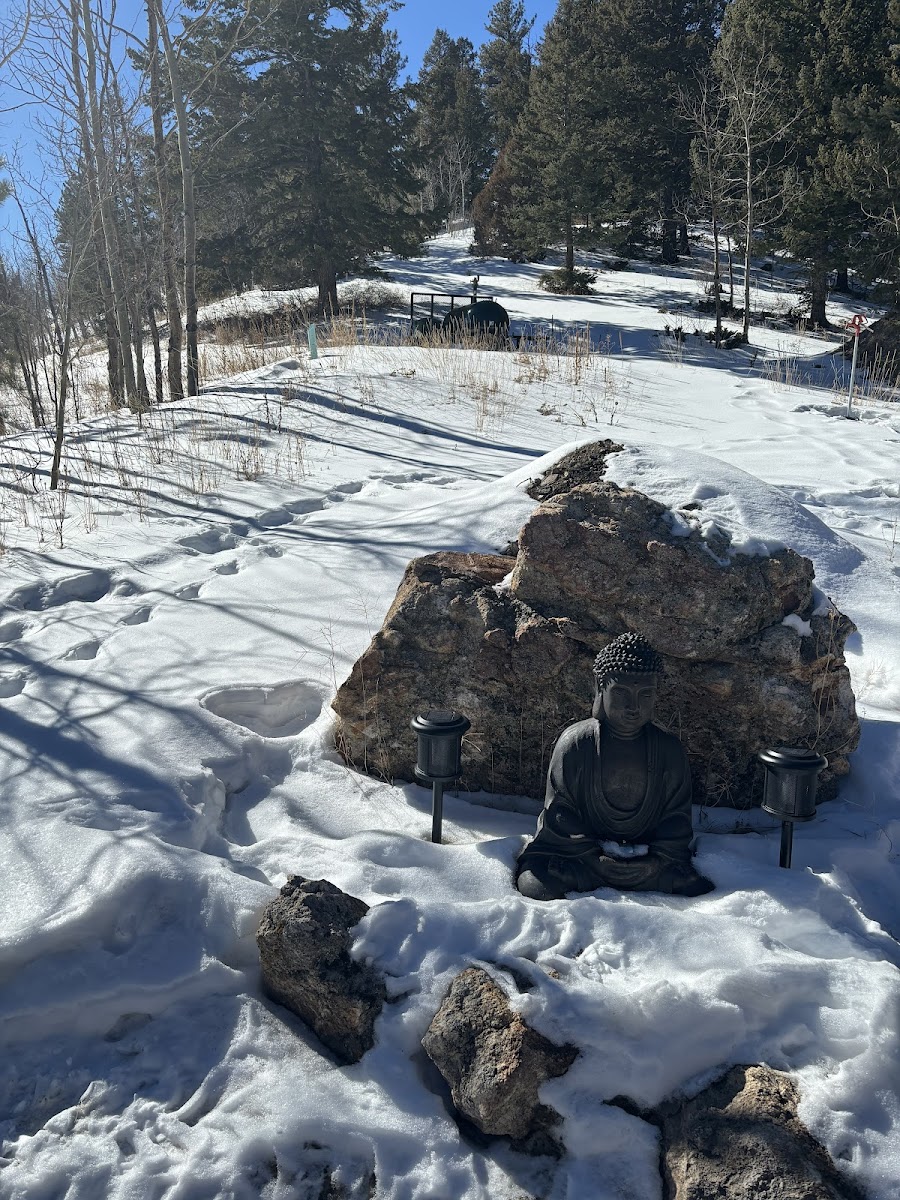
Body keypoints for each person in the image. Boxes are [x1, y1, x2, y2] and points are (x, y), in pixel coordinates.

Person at [515, 632, 714, 900]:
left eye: (645, 695)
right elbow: (560, 815)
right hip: (580, 856)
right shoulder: (576, 742)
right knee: (535, 883)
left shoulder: (668, 749)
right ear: (600, 688)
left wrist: (656, 859)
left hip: (649, 860)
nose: (634, 707)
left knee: (696, 886)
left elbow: (676, 820)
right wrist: (593, 857)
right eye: (621, 693)